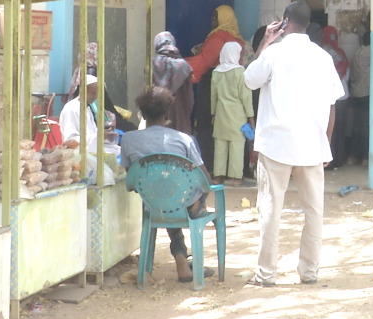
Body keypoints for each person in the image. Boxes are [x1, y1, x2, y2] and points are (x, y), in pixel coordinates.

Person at [244, 0, 344, 287]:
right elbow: (332, 105)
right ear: (309, 24)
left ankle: (266, 274)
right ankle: (309, 272)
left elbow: (249, 80)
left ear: (284, 23)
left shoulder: (273, 53)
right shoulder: (323, 57)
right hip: (312, 146)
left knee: (270, 210)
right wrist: (326, 143)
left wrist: (264, 41)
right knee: (314, 211)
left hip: (276, 145)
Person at [121, 86, 215, 284]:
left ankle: (181, 258)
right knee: (176, 195)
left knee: (164, 195)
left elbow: (131, 180)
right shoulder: (184, 140)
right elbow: (205, 179)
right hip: (186, 205)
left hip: (153, 204)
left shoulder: (128, 139)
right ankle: (182, 261)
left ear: (142, 115)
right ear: (167, 114)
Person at [186, 5, 246, 173]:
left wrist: (182, 65)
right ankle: (234, 172)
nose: (213, 20)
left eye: (215, 17)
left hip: (213, 82)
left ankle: (210, 167)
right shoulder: (238, 38)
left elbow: (205, 60)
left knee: (208, 124)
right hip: (234, 87)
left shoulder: (217, 37)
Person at [60, 74, 120, 185]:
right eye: (93, 93)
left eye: (97, 93)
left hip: (91, 147)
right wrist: (98, 137)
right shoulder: (71, 109)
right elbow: (70, 140)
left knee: (119, 150)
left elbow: (91, 133)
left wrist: (104, 136)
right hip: (79, 153)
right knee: (111, 158)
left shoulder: (87, 108)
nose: (95, 97)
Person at [211, 42, 254, 184]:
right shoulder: (240, 72)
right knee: (237, 145)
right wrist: (250, 116)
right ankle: (236, 178)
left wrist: (213, 114)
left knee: (220, 145)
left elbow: (213, 96)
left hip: (220, 114)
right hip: (237, 115)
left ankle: (218, 176)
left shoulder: (216, 72)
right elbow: (245, 97)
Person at [318, 26, 351, 171]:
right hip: (343, 96)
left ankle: (325, 160)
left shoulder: (319, 53)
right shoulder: (341, 54)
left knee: (326, 129)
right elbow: (347, 74)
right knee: (339, 130)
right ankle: (338, 160)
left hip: (324, 97)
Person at [151, 31, 194, 134]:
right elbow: (189, 97)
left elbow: (148, 91)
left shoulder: (152, 64)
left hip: (157, 114)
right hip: (179, 114)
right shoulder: (183, 66)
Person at [349, 31, 372, 167]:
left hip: (356, 92)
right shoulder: (372, 52)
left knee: (357, 126)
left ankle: (352, 155)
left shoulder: (358, 52)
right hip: (366, 93)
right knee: (366, 127)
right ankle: (364, 157)